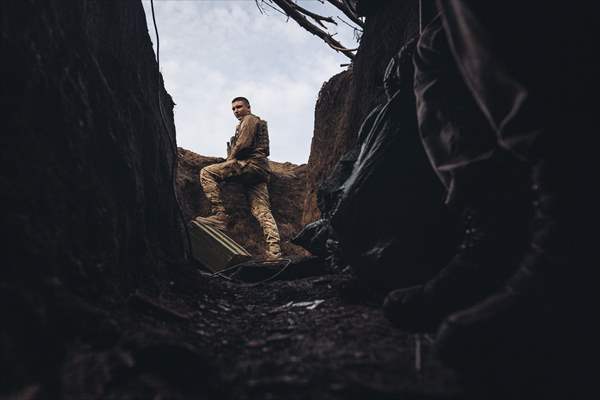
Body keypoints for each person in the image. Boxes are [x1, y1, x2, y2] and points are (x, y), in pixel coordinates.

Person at [196, 97, 282, 260]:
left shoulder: (249, 120)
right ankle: (275, 250)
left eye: (239, 107)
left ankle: (220, 215)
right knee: (262, 210)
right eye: (233, 109)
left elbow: (243, 144)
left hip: (248, 165)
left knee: (207, 173)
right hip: (261, 171)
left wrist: (230, 160)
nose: (236, 111)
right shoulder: (257, 122)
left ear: (248, 107)